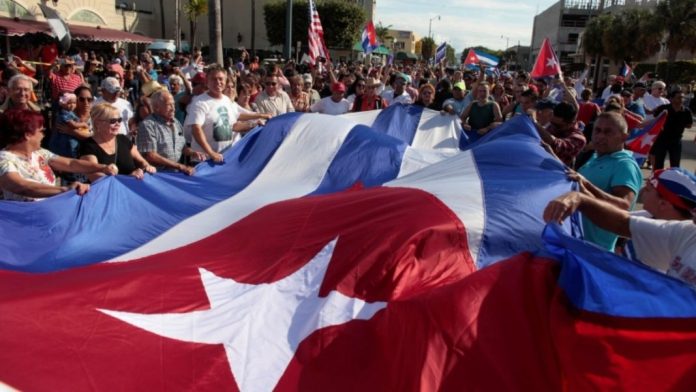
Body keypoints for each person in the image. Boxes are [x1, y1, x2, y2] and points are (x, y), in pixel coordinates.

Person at [543, 170, 696, 290]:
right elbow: (620, 221)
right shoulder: (686, 233)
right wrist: (579, 198)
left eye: (649, 189)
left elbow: (621, 208)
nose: (642, 192)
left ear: (664, 204)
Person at [0, 109, 117, 201]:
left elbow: (70, 164)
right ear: (27, 135)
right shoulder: (4, 160)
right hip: (23, 223)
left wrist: (103, 167)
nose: (44, 135)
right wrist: (64, 190)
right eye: (41, 131)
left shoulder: (39, 153)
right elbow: (21, 186)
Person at [575, 112, 643, 251]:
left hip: (596, 251)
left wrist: (586, 187)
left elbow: (623, 206)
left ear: (624, 137)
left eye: (608, 132)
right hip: (576, 243)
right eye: (597, 131)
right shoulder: (595, 157)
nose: (600, 136)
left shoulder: (625, 165)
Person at [184, 64, 262, 163]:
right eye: (214, 79)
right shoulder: (199, 102)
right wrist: (211, 153)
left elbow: (233, 125)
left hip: (224, 159)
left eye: (221, 79)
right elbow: (196, 129)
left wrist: (254, 125)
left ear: (225, 81)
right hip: (204, 161)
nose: (218, 82)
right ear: (207, 82)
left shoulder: (227, 101)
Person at [80, 103, 155, 181]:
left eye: (119, 120)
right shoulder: (88, 146)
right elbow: (95, 176)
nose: (118, 124)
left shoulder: (123, 139)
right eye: (112, 121)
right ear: (98, 123)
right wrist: (127, 178)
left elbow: (142, 161)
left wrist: (147, 167)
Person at [137, 90, 203, 175]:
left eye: (173, 104)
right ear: (157, 107)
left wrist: (193, 153)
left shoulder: (176, 122)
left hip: (176, 174)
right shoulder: (148, 125)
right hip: (158, 176)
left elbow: (182, 147)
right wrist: (179, 166)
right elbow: (150, 156)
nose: (173, 108)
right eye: (169, 105)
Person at [651, 89, 693, 170]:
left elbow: (689, 125)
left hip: (676, 140)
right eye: (679, 98)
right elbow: (655, 119)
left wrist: (680, 124)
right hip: (662, 139)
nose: (681, 100)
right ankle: (657, 180)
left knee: (675, 165)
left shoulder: (686, 111)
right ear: (671, 99)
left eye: (682, 98)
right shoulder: (663, 109)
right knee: (658, 164)